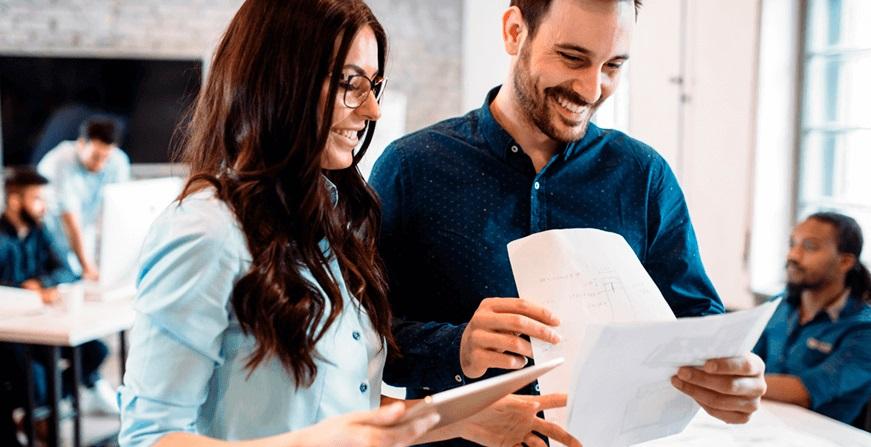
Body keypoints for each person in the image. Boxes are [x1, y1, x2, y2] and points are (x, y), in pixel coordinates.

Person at [118, 1, 579, 447]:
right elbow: (149, 435)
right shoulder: (207, 233)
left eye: (373, 85)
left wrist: (462, 420)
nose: (372, 110)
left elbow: (345, 413)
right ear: (281, 80)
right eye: (350, 84)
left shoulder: (335, 223)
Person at [369, 1, 766, 444]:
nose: (592, 88)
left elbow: (697, 326)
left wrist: (731, 375)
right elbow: (360, 342)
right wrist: (455, 348)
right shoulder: (411, 168)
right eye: (573, 58)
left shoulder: (643, 176)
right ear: (515, 31)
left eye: (613, 65)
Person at [0, 168, 118, 416]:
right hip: (12, 332)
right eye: (36, 199)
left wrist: (41, 283)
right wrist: (24, 291)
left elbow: (68, 270)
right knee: (39, 382)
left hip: (45, 324)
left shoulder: (40, 231)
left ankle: (47, 409)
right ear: (14, 200)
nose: (43, 206)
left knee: (95, 352)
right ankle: (38, 413)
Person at [753, 212, 871, 424]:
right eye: (792, 244)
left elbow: (806, 391)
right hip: (762, 425)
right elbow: (748, 360)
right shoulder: (778, 304)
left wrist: (733, 382)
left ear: (845, 261)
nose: (793, 256)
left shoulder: (864, 329)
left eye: (810, 247)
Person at [36, 116, 131, 280]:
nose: (100, 164)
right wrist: (87, 266)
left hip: (86, 233)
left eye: (105, 158)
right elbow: (69, 217)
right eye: (95, 156)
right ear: (81, 144)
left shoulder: (118, 160)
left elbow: (118, 209)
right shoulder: (60, 161)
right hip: (52, 237)